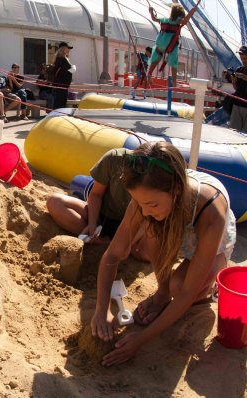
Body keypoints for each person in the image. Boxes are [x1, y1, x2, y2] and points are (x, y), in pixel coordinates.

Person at [90, 141, 236, 366]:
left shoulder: (211, 212)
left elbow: (187, 292)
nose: (144, 210)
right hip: (175, 223)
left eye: (151, 204)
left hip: (209, 235)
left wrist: (142, 339)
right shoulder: (146, 199)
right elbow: (112, 256)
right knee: (151, 231)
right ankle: (162, 292)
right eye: (139, 203)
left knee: (183, 287)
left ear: (175, 191)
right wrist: (101, 309)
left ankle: (207, 288)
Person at [46, 148, 143, 247]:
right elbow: (96, 194)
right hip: (100, 215)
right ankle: (99, 240)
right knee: (54, 202)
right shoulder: (115, 158)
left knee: (147, 247)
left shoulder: (154, 177)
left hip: (132, 227)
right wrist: (92, 223)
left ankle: (112, 244)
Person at [147, 1, 201, 87]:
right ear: (179, 16)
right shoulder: (178, 22)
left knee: (156, 57)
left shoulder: (164, 20)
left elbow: (154, 18)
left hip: (161, 42)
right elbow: (186, 19)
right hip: (171, 45)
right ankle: (175, 82)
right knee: (174, 62)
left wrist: (151, 12)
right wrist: (192, 11)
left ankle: (149, 73)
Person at [53, 42, 76, 110]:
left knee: (61, 102)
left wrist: (72, 68)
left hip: (63, 85)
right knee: (60, 103)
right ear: (63, 49)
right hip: (61, 85)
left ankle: (58, 116)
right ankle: (57, 117)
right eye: (67, 48)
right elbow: (71, 69)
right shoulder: (61, 59)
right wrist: (74, 67)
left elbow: (70, 70)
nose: (69, 50)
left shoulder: (63, 58)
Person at [229, 45, 247, 131]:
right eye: (242, 58)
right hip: (237, 105)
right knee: (233, 132)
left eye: (245, 58)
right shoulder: (239, 70)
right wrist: (233, 80)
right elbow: (236, 88)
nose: (244, 61)